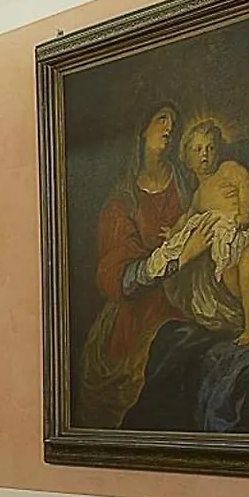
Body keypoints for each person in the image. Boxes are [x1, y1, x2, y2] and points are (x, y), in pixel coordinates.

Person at [76, 103, 191, 427]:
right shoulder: (121, 203)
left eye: (174, 121)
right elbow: (121, 280)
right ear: (143, 129)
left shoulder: (187, 185)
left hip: (185, 303)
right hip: (135, 318)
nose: (169, 128)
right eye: (161, 119)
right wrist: (178, 258)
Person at [158, 120, 249, 345]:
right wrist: (173, 232)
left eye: (210, 148)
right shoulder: (198, 195)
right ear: (187, 159)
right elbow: (187, 217)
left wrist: (244, 211)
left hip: (246, 232)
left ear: (218, 150)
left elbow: (244, 182)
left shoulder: (228, 169)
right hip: (226, 246)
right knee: (233, 282)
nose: (205, 154)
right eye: (198, 149)